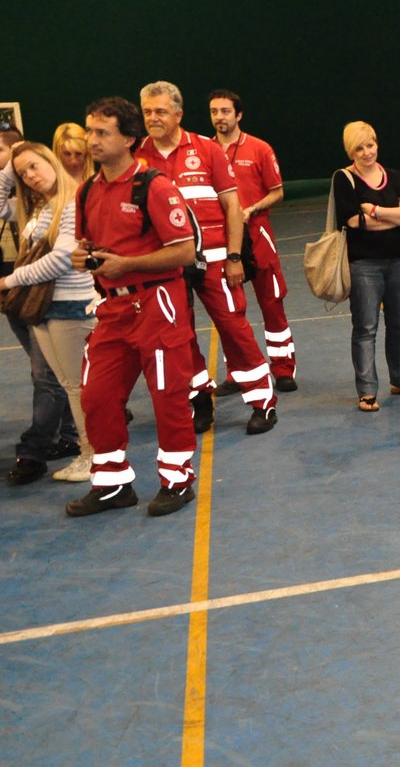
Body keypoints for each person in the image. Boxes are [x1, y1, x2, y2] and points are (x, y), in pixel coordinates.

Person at [68, 96, 199, 517]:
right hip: (112, 310)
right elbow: (90, 242)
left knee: (169, 397)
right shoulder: (87, 190)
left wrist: (128, 265)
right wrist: (83, 256)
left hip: (157, 304)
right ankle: (112, 485)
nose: (92, 140)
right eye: (90, 131)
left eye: (102, 132)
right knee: (97, 397)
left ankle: (177, 480)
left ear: (128, 139)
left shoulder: (154, 186)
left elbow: (184, 252)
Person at [138, 80, 278, 436]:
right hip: (167, 267)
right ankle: (200, 398)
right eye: (147, 112)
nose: (153, 118)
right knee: (178, 336)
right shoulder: (138, 157)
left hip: (216, 260)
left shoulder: (206, 149)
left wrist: (234, 257)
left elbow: (233, 205)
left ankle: (263, 401)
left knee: (234, 328)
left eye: (161, 111)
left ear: (178, 114)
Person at [0, 141, 95, 483]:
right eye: (23, 173)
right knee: (68, 385)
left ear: (50, 161)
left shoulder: (72, 203)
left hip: (70, 307)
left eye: (35, 167)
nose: (30, 176)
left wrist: (8, 281)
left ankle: (92, 456)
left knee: (77, 387)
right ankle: (86, 451)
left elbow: (61, 260)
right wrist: (11, 166)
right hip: (43, 309)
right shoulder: (41, 207)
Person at [208, 89, 296, 392]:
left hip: (257, 235)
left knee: (272, 303)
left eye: (225, 111)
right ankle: (238, 372)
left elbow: (278, 191)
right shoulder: (205, 152)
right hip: (222, 239)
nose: (219, 117)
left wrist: (251, 209)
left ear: (238, 114)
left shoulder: (259, 148)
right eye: (214, 112)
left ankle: (283, 368)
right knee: (231, 311)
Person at [334, 120, 400, 411]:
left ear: (377, 144)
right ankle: (367, 390)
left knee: (398, 324)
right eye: (359, 148)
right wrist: (393, 216)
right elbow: (353, 221)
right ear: (350, 151)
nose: (366, 152)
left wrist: (376, 212)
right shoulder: (344, 179)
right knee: (366, 327)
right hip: (364, 264)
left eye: (369, 145)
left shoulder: (395, 177)